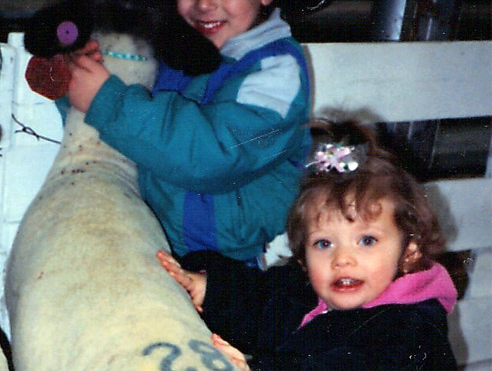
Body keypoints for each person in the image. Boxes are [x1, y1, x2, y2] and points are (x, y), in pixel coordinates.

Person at [65, 0, 324, 267]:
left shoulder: (276, 71)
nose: (204, 2)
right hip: (151, 239)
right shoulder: (178, 47)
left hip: (224, 265)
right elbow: (121, 117)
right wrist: (77, 80)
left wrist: (107, 102)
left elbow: (217, 155)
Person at [157, 119, 458, 370]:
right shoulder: (303, 288)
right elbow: (258, 300)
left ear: (408, 253)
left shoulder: (409, 331)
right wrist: (209, 289)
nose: (342, 258)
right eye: (324, 243)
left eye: (366, 240)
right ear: (302, 256)